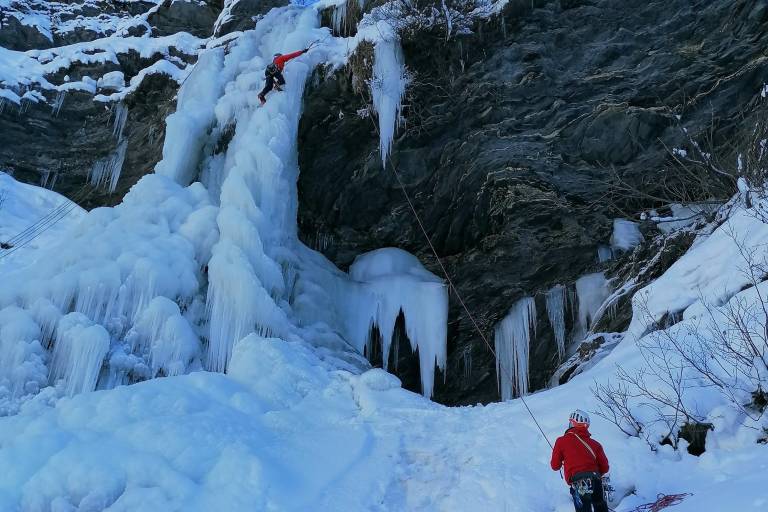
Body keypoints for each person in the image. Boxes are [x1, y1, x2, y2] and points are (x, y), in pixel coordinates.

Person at [550, 410, 610, 512]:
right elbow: (605, 467)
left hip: (579, 482)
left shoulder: (561, 441)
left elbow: (555, 466)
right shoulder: (595, 444)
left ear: (572, 423)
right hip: (596, 479)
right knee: (600, 506)